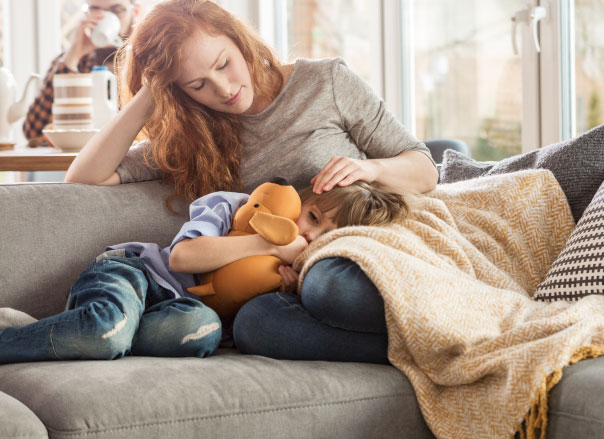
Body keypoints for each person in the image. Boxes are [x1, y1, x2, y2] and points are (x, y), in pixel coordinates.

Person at [63, 0, 438, 363]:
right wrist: (150, 92)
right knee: (255, 326)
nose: (224, 89)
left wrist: (371, 169)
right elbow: (84, 177)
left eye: (224, 64)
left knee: (330, 287)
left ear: (238, 40)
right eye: (198, 84)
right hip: (282, 282)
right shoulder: (194, 136)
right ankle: (411, 351)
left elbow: (425, 170)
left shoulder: (326, 82)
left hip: (354, 255)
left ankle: (422, 340)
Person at [0, 180, 409, 364]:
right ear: (302, 197)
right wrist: (266, 242)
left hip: (177, 316)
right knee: (104, 330)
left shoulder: (301, 276)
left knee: (201, 332)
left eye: (323, 236)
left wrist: (288, 286)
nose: (306, 232)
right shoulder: (238, 208)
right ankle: (24, 336)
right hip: (135, 274)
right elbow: (182, 259)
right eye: (314, 215)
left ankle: (81, 331)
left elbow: (252, 316)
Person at [23, 0, 143, 145]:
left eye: (116, 10)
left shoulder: (150, 61)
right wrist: (73, 55)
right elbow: (33, 131)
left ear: (135, 11)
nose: (104, 17)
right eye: (95, 9)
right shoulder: (73, 61)